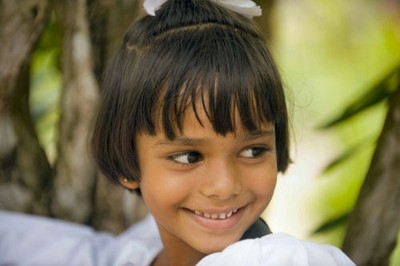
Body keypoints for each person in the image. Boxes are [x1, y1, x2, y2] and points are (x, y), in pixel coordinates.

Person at [0, 0, 355, 265]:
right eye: (189, 156)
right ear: (127, 163)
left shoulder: (275, 260)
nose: (224, 186)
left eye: (252, 150)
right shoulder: (139, 253)